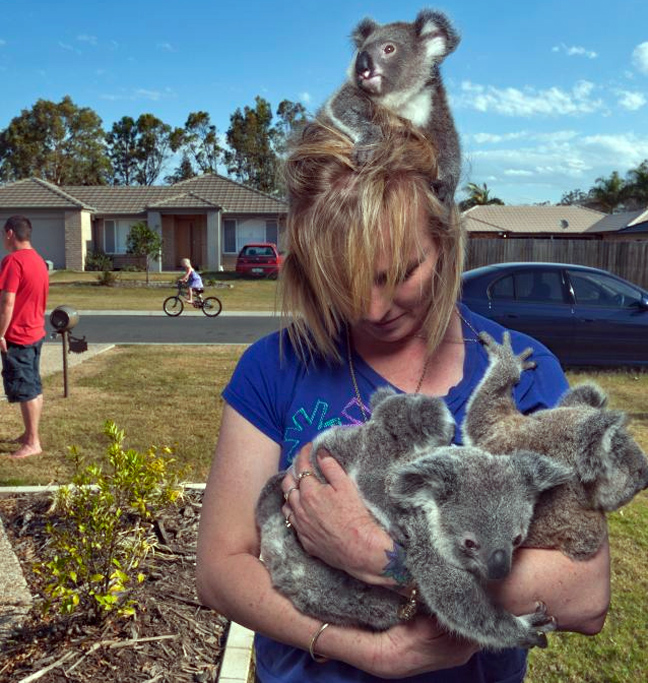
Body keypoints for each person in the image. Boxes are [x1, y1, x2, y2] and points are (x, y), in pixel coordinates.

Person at [196, 118, 610, 682]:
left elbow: (586, 593)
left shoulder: (523, 376)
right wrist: (366, 651)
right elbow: (220, 569)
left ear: (444, 243)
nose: (371, 308)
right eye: (343, 280)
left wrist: (386, 560)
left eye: (400, 274)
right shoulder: (274, 367)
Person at [0, 215, 49, 459]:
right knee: (33, 385)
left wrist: (0, 333)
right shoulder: (39, 260)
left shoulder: (13, 261)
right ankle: (29, 433)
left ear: (10, 233)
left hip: (18, 334)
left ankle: (32, 442)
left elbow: (8, 301)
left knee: (24, 387)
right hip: (35, 330)